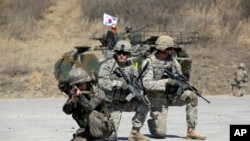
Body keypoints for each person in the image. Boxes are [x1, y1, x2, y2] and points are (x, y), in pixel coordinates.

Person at [141, 35, 206, 140]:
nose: (172, 51)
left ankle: (191, 131)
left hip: (172, 95)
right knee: (160, 134)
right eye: (170, 48)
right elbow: (146, 84)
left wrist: (184, 85)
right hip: (157, 98)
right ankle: (154, 123)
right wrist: (166, 82)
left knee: (192, 96)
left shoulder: (173, 61)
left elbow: (179, 77)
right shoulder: (149, 62)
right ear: (163, 48)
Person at [98, 40, 150, 141]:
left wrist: (140, 91)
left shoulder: (130, 65)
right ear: (115, 53)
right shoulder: (108, 65)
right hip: (111, 104)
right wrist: (120, 84)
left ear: (129, 55)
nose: (122, 55)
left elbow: (135, 80)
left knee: (145, 103)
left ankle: (135, 132)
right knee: (111, 137)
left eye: (125, 53)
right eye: (119, 53)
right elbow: (102, 83)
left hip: (126, 101)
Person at [62, 67, 113, 141]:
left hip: (104, 129)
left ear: (86, 82)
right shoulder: (76, 94)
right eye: (76, 85)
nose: (78, 87)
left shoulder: (98, 93)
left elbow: (89, 108)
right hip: (87, 130)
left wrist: (80, 97)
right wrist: (72, 102)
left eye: (80, 84)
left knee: (92, 114)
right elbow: (67, 111)